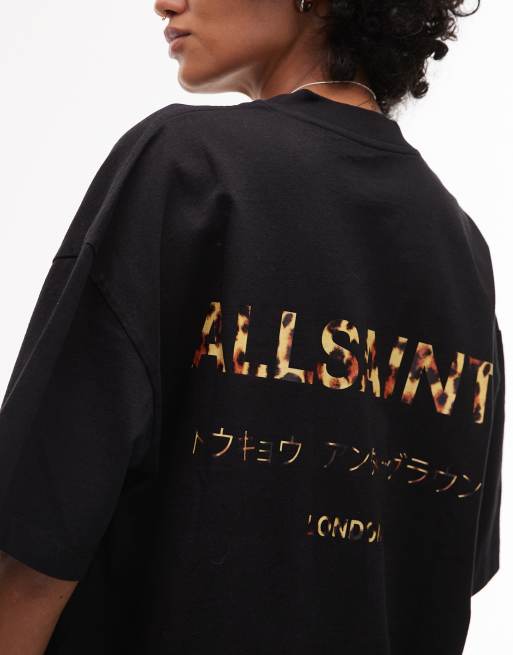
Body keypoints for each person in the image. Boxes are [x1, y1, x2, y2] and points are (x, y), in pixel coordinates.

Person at [0, 0, 504, 654]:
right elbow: (443, 567)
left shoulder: (187, 166)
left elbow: (32, 549)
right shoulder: (464, 251)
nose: (164, 2)